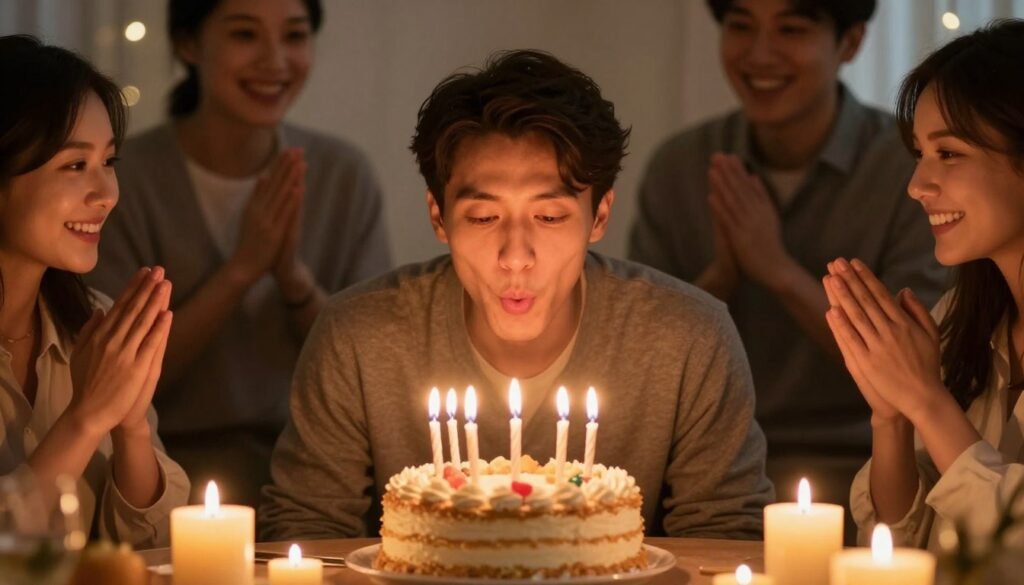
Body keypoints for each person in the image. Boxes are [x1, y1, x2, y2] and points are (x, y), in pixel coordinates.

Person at [260, 49, 773, 540]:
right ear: (439, 217)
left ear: (599, 215)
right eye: (483, 217)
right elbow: (304, 533)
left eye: (549, 217)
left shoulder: (687, 337)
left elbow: (728, 538)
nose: (515, 254)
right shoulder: (359, 337)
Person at [628, 0, 946, 525]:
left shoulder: (911, 168)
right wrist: (721, 279)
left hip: (862, 470)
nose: (760, 54)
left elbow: (926, 360)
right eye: (740, 26)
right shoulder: (680, 166)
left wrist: (776, 269)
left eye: (792, 29)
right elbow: (639, 355)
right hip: (699, 472)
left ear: (849, 43)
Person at [87, 0, 391, 507]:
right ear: (188, 44)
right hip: (163, 474)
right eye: (245, 35)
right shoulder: (123, 178)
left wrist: (292, 278)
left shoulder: (343, 175)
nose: (275, 60)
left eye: (294, 36)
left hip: (321, 475)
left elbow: (374, 370)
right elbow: (115, 376)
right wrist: (241, 271)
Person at [826, 19, 1024, 550]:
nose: (917, 186)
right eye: (919, 154)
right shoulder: (965, 315)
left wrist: (926, 401)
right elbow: (897, 544)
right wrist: (890, 414)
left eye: (950, 154)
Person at [0, 35, 188, 546]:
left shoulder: (92, 321)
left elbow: (159, 546)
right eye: (75, 165)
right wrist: (87, 418)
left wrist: (130, 428)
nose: (106, 195)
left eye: (109, 162)